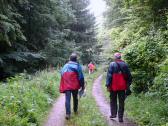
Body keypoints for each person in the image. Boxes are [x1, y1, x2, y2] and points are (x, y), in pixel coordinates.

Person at [106, 52, 132, 123]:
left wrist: (108, 85)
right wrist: (128, 85)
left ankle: (113, 114)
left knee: (113, 100)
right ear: (120, 57)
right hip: (122, 87)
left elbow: (109, 76)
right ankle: (120, 118)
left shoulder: (112, 64)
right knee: (121, 102)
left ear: (115, 57)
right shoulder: (125, 64)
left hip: (113, 87)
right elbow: (129, 77)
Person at [59, 53, 85, 120]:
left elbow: (61, 73)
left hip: (67, 85)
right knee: (75, 98)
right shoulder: (77, 66)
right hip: (75, 85)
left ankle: (68, 114)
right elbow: (81, 77)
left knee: (67, 99)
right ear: (76, 59)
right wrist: (82, 86)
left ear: (70, 59)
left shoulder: (65, 65)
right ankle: (75, 110)